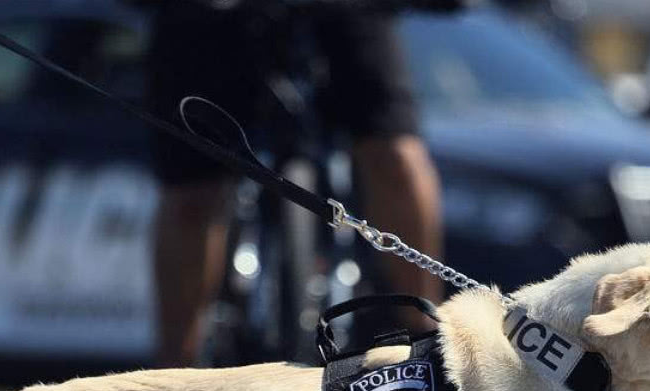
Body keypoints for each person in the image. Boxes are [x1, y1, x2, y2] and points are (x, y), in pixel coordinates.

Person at [145, 2, 445, 368]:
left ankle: (428, 349)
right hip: (211, 15)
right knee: (190, 195)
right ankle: (174, 375)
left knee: (397, 157)